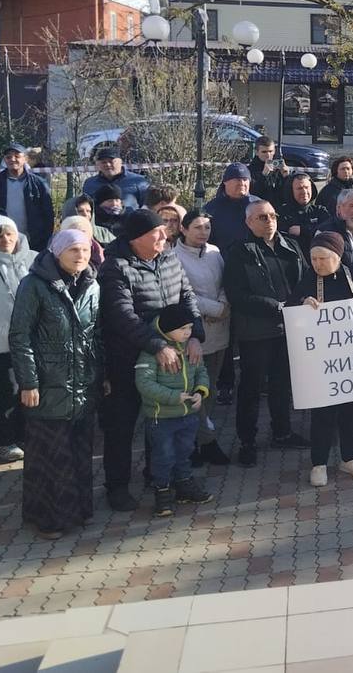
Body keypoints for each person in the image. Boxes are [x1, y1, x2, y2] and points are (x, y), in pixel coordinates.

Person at [98, 209, 204, 511]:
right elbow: (122, 315)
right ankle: (116, 486)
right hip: (129, 358)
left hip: (171, 358)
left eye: (164, 230)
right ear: (135, 239)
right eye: (156, 232)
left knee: (161, 420)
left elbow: (187, 297)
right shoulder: (115, 267)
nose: (164, 235)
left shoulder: (169, 258)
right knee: (122, 424)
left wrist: (195, 333)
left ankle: (160, 477)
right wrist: (157, 345)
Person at [9, 230, 100, 537]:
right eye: (73, 250)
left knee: (78, 451)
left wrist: (103, 376)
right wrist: (28, 382)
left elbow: (95, 335)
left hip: (82, 384)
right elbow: (20, 336)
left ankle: (79, 511)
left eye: (85, 250)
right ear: (57, 252)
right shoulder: (34, 285)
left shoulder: (91, 284)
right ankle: (48, 518)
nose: (80, 256)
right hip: (47, 384)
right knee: (50, 454)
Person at [291, 230, 353, 486]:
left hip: (352, 360)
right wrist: (303, 303)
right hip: (322, 362)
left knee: (351, 411)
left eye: (323, 258)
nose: (317, 264)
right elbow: (291, 308)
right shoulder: (307, 280)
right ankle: (319, 463)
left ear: (338, 256)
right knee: (323, 413)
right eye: (313, 259)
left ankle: (349, 457)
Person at [222, 200, 310, 467]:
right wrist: (277, 308)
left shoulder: (291, 246)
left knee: (281, 384)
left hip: (288, 329)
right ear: (249, 222)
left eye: (273, 215)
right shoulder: (239, 252)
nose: (269, 220)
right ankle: (247, 441)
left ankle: (282, 432)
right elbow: (237, 295)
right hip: (256, 332)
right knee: (250, 388)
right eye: (262, 217)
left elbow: (305, 278)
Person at [134, 305, 213, 517]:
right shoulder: (152, 352)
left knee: (184, 452)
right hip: (162, 418)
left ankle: (184, 486)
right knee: (163, 456)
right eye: (182, 329)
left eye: (189, 328)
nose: (187, 333)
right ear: (167, 329)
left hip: (187, 415)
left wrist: (200, 391)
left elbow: (201, 371)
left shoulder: (189, 347)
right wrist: (173, 397)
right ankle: (162, 492)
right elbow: (144, 383)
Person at [173, 210, 231, 467]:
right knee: (193, 387)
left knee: (210, 387)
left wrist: (223, 304)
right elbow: (183, 293)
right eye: (197, 227)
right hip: (194, 333)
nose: (203, 232)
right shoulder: (173, 257)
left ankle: (202, 436)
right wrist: (214, 308)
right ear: (184, 229)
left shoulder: (215, 252)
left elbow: (225, 283)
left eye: (207, 227)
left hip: (220, 329)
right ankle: (202, 441)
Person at [0, 216, 34, 463]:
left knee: (27, 392)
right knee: (6, 393)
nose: (5, 240)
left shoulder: (34, 259)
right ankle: (6, 442)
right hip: (0, 344)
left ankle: (22, 436)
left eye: (9, 234)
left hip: (31, 342)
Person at [0, 143, 53, 251]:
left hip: (33, 241)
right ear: (5, 160)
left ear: (25, 158)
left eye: (17, 156)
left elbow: (48, 215)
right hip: (3, 241)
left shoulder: (38, 184)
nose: (12, 159)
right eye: (8, 157)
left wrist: (44, 238)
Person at [203, 163, 262, 253]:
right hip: (222, 260)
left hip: (254, 261)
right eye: (238, 179)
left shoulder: (259, 206)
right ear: (225, 182)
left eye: (245, 179)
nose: (242, 183)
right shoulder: (212, 208)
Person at [277, 172, 332, 260]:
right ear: (291, 191)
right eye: (299, 188)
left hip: (318, 259)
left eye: (307, 187)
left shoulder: (320, 211)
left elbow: (328, 233)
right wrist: (314, 230)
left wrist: (303, 230)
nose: (304, 192)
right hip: (293, 261)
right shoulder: (283, 213)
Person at [83, 149, 148, 210]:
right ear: (97, 164)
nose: (108, 165)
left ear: (120, 162)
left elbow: (147, 207)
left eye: (111, 161)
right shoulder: (90, 183)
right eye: (103, 162)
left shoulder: (138, 181)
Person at [248, 136, 289, 208]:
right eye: (264, 152)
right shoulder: (250, 170)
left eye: (270, 151)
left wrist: (286, 177)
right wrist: (263, 175)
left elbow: (287, 192)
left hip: (277, 208)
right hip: (258, 208)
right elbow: (252, 193)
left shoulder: (277, 167)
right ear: (256, 152)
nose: (268, 155)